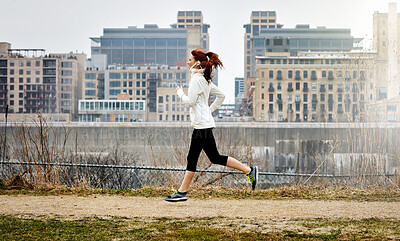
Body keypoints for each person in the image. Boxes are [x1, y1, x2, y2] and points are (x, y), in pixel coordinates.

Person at [164, 49, 258, 202]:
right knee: (213, 157)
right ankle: (249, 170)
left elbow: (191, 102)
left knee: (193, 158)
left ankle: (182, 193)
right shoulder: (204, 79)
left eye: (189, 59)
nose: (187, 62)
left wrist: (180, 93)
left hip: (201, 126)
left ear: (196, 62)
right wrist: (209, 110)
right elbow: (222, 95)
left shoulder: (196, 80)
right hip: (204, 124)